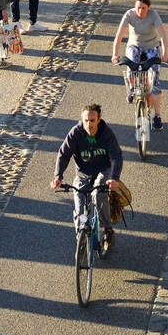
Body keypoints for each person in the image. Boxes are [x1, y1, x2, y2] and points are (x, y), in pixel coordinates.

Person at [51, 104, 122, 247]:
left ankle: (108, 229)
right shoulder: (75, 133)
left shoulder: (106, 133)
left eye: (92, 120)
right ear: (82, 120)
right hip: (83, 174)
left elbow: (116, 156)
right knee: (79, 202)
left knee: (98, 193)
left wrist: (114, 178)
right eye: (86, 120)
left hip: (103, 170)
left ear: (98, 120)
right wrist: (58, 176)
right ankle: (81, 238)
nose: (89, 124)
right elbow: (64, 154)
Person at [111, 0, 168, 130]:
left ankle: (157, 116)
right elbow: (119, 35)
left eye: (143, 8)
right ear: (134, 6)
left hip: (151, 46)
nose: (140, 11)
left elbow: (162, 35)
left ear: (148, 8)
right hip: (134, 46)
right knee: (131, 69)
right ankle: (132, 89)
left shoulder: (153, 15)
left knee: (155, 80)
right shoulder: (129, 15)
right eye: (138, 7)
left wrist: (165, 53)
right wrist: (114, 54)